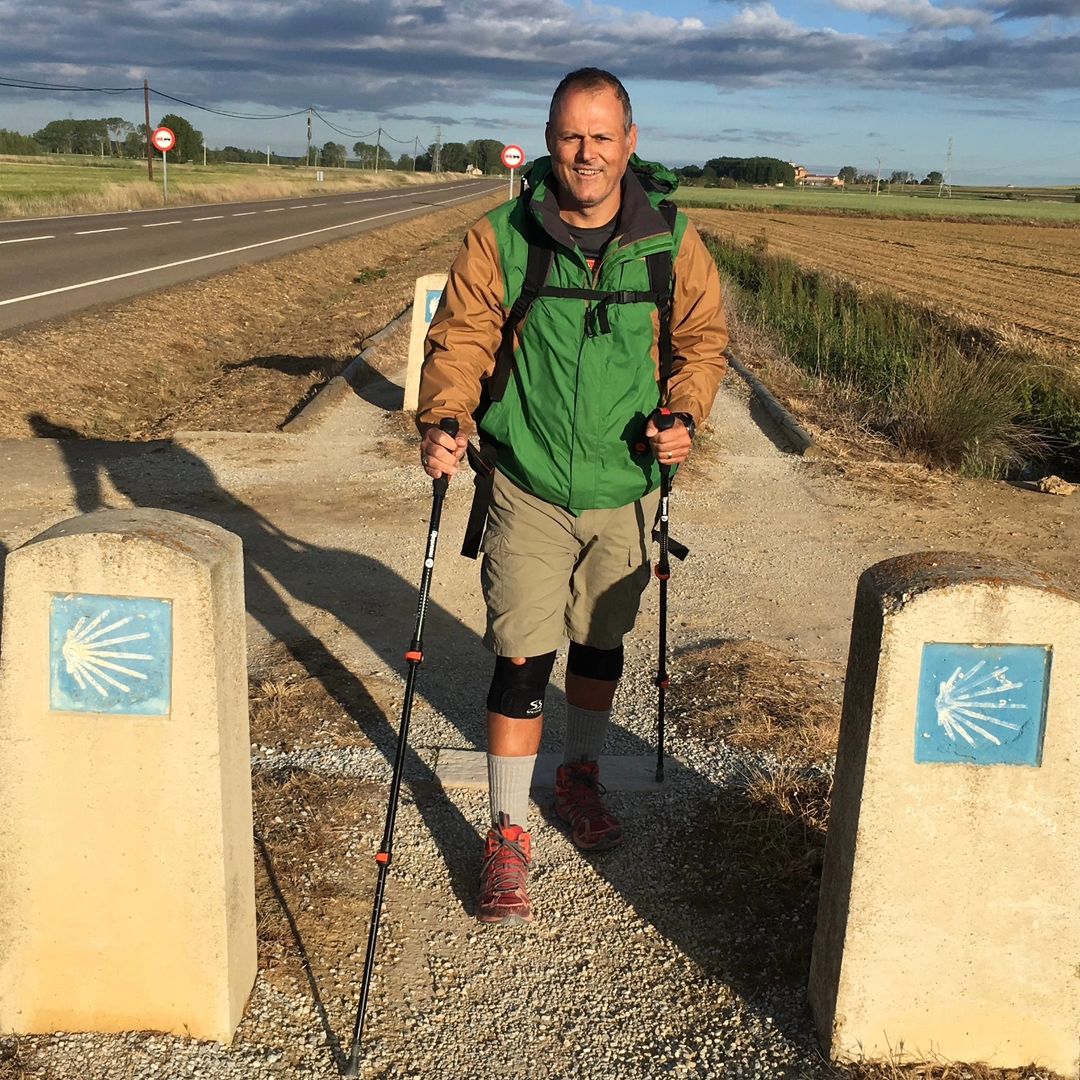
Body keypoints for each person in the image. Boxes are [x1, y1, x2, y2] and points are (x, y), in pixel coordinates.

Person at [416, 68, 728, 925]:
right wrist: (446, 416)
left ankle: (579, 775)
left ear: (629, 143)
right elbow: (464, 335)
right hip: (528, 482)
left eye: (601, 136)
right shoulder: (503, 236)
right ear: (549, 141)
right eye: (569, 135)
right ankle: (508, 833)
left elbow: (701, 341)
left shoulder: (670, 240)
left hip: (626, 485)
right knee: (522, 654)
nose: (584, 154)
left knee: (599, 644)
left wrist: (686, 416)